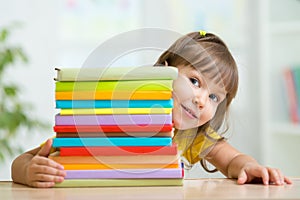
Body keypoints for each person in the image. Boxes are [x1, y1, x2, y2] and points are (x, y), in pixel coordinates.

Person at [11, 31, 292, 188]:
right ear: (165, 74)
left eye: (216, 97)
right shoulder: (116, 114)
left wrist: (251, 167)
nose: (202, 100)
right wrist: (27, 171)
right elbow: (22, 161)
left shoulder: (193, 136)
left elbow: (233, 161)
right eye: (194, 81)